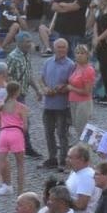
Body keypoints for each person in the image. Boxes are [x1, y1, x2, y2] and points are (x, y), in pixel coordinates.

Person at [38, 38, 74, 169]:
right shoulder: (48, 62)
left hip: (62, 105)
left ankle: (63, 160)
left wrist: (61, 88)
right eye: (59, 47)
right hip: (48, 104)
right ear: (54, 48)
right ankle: (52, 158)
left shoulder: (71, 65)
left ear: (67, 49)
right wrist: (44, 89)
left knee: (62, 134)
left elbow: (72, 84)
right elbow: (41, 79)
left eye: (63, 47)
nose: (61, 49)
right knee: (48, 133)